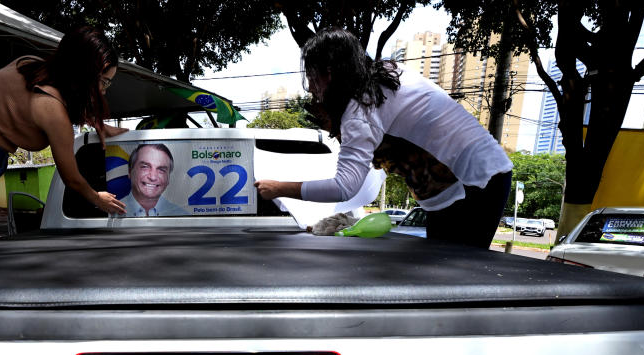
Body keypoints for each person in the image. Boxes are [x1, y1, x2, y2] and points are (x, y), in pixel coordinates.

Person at [253, 29, 513, 249]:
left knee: (455, 280)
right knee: (440, 277)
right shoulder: (389, 74)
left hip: (474, 184)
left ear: (329, 73)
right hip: (469, 182)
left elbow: (345, 186)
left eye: (312, 76)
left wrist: (279, 188)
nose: (311, 87)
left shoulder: (361, 110)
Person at [0, 26, 127, 247]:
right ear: (84, 73)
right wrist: (99, 199)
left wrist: (96, 122)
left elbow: (63, 96)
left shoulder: (29, 65)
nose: (105, 90)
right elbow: (72, 178)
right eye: (104, 82)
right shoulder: (52, 110)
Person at [120, 144, 189, 216]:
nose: (153, 177)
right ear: (130, 172)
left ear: (168, 178)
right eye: (145, 167)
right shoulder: (111, 212)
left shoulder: (182, 216)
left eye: (161, 170)